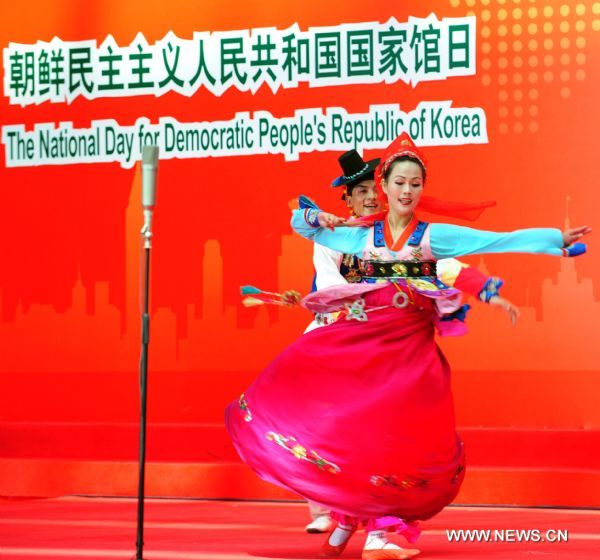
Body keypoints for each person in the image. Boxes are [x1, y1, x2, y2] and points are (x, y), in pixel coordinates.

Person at [225, 133, 590, 560]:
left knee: (398, 437)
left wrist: (552, 242)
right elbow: (301, 225)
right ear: (386, 186)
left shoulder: (433, 236)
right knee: (353, 432)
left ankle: (379, 530)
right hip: (363, 344)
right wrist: (318, 217)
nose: (407, 191)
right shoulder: (360, 236)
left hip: (411, 351)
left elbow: (494, 240)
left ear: (422, 188)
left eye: (415, 184)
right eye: (399, 182)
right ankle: (347, 517)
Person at [303, 149, 518, 535]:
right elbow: (330, 283)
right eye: (363, 191)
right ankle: (333, 508)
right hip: (341, 331)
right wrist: (364, 303)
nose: (371, 197)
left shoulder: (397, 236)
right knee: (324, 423)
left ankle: (368, 520)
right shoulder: (337, 235)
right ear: (347, 199)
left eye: (375, 190)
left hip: (389, 340)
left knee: (386, 428)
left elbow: (439, 268)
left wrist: (485, 291)